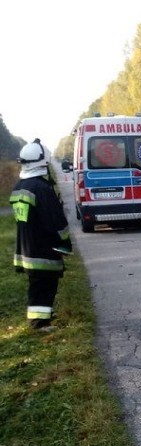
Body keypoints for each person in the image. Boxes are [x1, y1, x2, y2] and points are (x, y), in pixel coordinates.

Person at [9, 139, 72, 331]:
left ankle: (40, 319)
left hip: (27, 248)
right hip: (43, 249)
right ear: (42, 164)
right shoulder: (42, 189)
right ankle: (40, 323)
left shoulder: (20, 186)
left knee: (37, 286)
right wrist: (65, 242)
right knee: (44, 286)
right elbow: (55, 222)